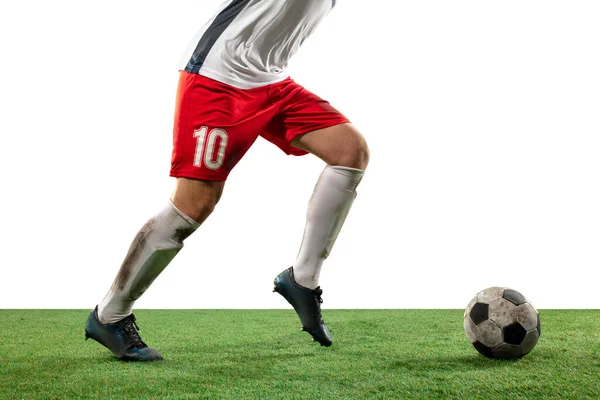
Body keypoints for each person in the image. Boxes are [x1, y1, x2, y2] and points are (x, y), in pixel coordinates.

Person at [84, 0, 370, 361]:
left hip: (272, 80)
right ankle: (109, 315)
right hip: (219, 77)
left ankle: (302, 279)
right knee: (194, 204)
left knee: (349, 151)